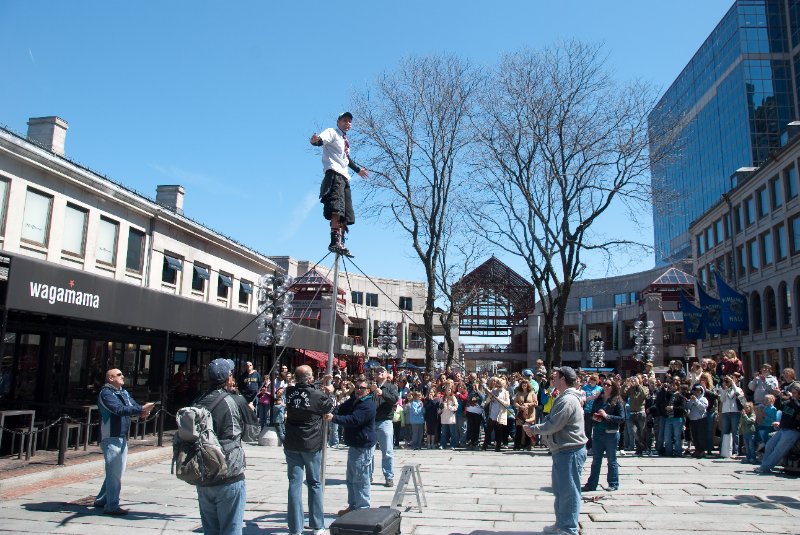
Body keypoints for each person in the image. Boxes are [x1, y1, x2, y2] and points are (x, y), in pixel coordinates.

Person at [193, 358, 259, 535]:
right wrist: (249, 411)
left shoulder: (198, 400)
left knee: (210, 529)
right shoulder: (236, 400)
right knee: (231, 528)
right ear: (229, 378)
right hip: (230, 471)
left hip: (203, 472)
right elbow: (252, 434)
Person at [524, 366, 587, 535]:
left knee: (569, 492)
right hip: (562, 450)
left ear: (563, 379)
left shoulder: (568, 400)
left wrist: (534, 428)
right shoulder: (564, 397)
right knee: (560, 491)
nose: (553, 379)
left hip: (570, 451)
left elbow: (554, 425)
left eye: (555, 376)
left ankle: (569, 528)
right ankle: (561, 524)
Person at [94, 368, 154, 515]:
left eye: (122, 374)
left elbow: (131, 405)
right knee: (115, 472)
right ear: (110, 378)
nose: (122, 376)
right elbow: (118, 409)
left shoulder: (123, 392)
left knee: (116, 472)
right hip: (111, 436)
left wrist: (142, 411)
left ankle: (102, 499)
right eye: (119, 375)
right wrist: (140, 409)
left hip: (121, 436)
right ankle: (112, 506)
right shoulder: (106, 393)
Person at [310, 111, 369, 256]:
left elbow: (346, 159)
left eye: (349, 121)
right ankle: (334, 242)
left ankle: (342, 242)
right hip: (334, 175)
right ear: (338, 122)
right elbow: (320, 141)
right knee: (336, 208)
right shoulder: (332, 132)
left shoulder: (344, 140)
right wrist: (314, 141)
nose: (347, 123)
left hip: (345, 178)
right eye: (344, 120)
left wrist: (358, 170)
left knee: (346, 213)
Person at [284, 365, 334, 535]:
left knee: (294, 484)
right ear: (310, 378)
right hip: (311, 444)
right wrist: (330, 390)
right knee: (314, 483)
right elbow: (328, 405)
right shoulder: (318, 395)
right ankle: (317, 525)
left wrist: (322, 382)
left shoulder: (289, 393)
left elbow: (305, 388)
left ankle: (295, 528)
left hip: (292, 443)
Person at [325, 376, 377, 515]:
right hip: (354, 444)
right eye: (357, 387)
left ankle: (362, 510)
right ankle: (353, 507)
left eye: (362, 388)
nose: (359, 390)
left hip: (363, 446)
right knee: (351, 478)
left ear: (368, 391)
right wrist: (333, 412)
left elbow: (354, 420)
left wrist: (334, 418)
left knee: (361, 479)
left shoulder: (368, 405)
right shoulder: (354, 400)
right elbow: (341, 409)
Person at [582, 378, 624, 492]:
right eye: (604, 384)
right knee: (596, 460)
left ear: (613, 387)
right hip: (597, 433)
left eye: (608, 385)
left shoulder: (617, 400)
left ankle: (613, 483)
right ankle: (592, 484)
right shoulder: (598, 400)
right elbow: (592, 414)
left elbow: (621, 418)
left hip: (611, 434)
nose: (605, 386)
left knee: (611, 460)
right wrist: (596, 417)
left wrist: (606, 416)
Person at [755, 381, 800, 474]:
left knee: (779, 450)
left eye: (795, 393)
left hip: (793, 431)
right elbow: (780, 405)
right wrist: (779, 395)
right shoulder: (789, 402)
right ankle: (764, 466)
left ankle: (765, 468)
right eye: (792, 392)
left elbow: (797, 409)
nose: (793, 394)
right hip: (783, 429)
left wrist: (792, 399)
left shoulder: (796, 403)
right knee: (769, 446)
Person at [370, 366, 399, 487]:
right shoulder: (371, 387)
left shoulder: (391, 387)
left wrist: (383, 393)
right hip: (371, 421)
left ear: (387, 375)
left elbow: (394, 399)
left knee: (387, 451)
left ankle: (389, 476)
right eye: (377, 371)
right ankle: (367, 476)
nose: (380, 372)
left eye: (382, 371)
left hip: (385, 421)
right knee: (368, 452)